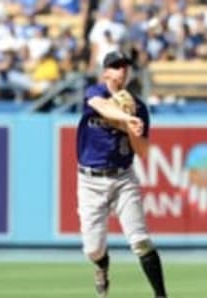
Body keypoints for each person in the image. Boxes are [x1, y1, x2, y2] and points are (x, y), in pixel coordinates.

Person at [76, 50, 167, 298]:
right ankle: (102, 266)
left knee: (140, 240)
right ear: (105, 72)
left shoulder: (139, 107)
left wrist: (133, 130)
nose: (122, 70)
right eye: (116, 66)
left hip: (123, 178)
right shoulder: (95, 92)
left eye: (125, 66)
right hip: (90, 180)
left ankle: (161, 295)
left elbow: (143, 151)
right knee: (93, 249)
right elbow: (101, 106)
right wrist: (127, 118)